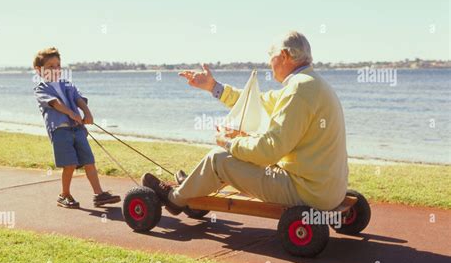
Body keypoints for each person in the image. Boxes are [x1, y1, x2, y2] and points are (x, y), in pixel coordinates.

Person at [142, 31, 349, 215]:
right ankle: (194, 185)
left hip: (308, 193)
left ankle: (175, 199)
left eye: (271, 56)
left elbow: (270, 150)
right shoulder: (311, 83)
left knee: (218, 158)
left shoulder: (297, 89)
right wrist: (214, 87)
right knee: (242, 149)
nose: (270, 63)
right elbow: (255, 102)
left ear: (284, 56)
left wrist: (229, 143)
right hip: (329, 190)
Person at [33, 47, 120, 208]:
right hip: (60, 131)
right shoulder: (41, 88)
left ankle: (99, 194)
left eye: (58, 65)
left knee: (89, 160)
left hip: (77, 129)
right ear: (39, 70)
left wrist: (87, 113)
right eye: (51, 66)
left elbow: (79, 99)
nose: (56, 69)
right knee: (70, 164)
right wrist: (72, 114)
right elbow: (55, 103)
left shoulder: (67, 84)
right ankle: (64, 194)